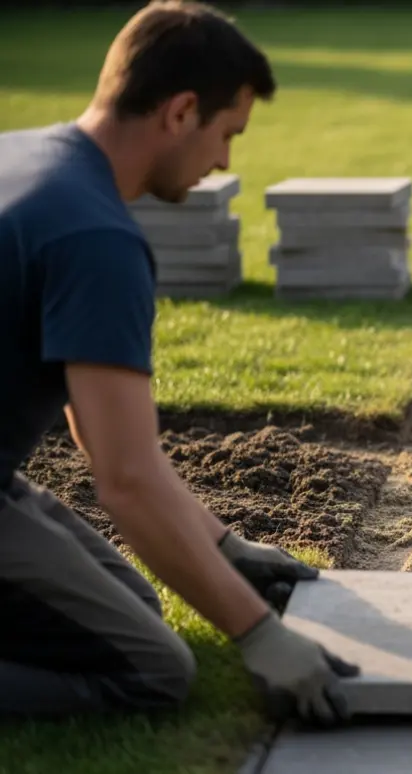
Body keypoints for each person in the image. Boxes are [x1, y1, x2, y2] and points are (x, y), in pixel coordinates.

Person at [0, 0, 359, 725]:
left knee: (132, 605)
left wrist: (223, 545)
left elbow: (99, 435)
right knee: (154, 669)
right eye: (227, 134)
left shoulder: (21, 154)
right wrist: (259, 635)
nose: (224, 161)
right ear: (181, 112)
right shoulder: (96, 239)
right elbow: (126, 479)